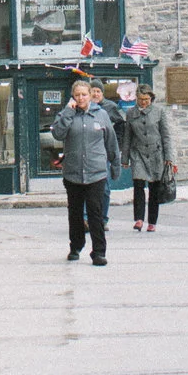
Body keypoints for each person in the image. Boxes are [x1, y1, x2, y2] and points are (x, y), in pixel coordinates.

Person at [53, 78, 123, 264]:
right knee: (75, 213)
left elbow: (111, 141)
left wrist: (115, 164)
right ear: (72, 96)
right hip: (73, 173)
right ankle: (76, 246)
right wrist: (68, 112)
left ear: (91, 95)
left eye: (84, 94)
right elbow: (57, 134)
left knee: (95, 213)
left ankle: (99, 251)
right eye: (77, 95)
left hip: (96, 172)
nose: (81, 98)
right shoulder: (66, 114)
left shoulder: (101, 115)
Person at [123, 86, 176, 232]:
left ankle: (152, 222)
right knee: (138, 185)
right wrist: (125, 158)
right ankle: (139, 219)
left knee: (154, 188)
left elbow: (166, 135)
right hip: (138, 153)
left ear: (151, 99)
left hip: (156, 154)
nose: (144, 102)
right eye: (141, 99)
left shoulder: (159, 112)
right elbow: (127, 136)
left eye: (147, 99)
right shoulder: (131, 113)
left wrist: (169, 156)